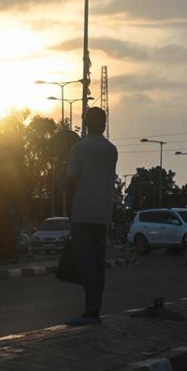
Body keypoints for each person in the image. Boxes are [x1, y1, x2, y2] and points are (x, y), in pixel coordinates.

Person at [65, 107, 118, 326]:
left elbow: (71, 178)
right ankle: (96, 308)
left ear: (87, 123)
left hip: (83, 210)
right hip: (103, 212)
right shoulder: (111, 150)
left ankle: (90, 311)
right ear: (104, 124)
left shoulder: (80, 147)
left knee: (86, 262)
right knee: (98, 263)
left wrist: (68, 207)